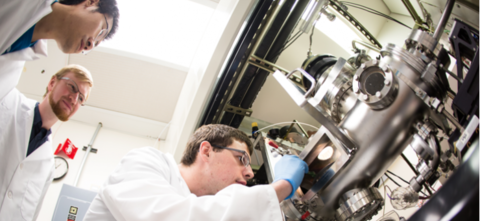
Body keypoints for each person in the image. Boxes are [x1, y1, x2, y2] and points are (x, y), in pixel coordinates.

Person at [84, 124, 309, 220]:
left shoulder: (206, 208)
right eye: (242, 159)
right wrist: (282, 187)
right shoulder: (147, 161)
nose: (250, 173)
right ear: (207, 150)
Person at [0, 64, 94, 220]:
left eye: (81, 98)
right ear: (52, 83)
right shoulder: (7, 102)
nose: (74, 98)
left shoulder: (48, 166)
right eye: (72, 87)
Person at [0, 0, 119, 101]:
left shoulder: (9, 80)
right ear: (91, 2)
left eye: (95, 45)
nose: (90, 45)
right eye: (101, 32)